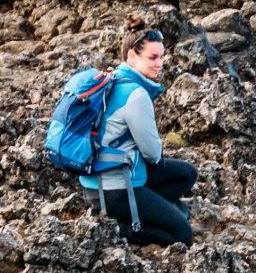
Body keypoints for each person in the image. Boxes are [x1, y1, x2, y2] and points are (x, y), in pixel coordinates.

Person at [82, 15, 197, 246]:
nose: (160, 63)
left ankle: (149, 210)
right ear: (132, 57)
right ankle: (122, 228)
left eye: (162, 57)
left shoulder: (112, 79)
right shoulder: (136, 94)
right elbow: (153, 154)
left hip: (95, 181)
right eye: (153, 57)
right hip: (115, 190)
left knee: (186, 173)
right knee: (182, 233)